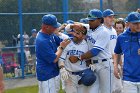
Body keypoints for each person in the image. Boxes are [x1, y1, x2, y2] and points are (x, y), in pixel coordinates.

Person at [69, 9, 112, 93]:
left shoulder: (104, 32)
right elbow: (67, 28)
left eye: (92, 20)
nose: (90, 22)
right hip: (93, 65)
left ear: (100, 20)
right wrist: (73, 26)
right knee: (93, 91)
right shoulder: (88, 27)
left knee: (106, 91)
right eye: (89, 20)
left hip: (105, 65)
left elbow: (95, 51)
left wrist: (78, 58)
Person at [36, 14, 70, 93]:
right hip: (47, 74)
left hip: (52, 72)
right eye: (54, 26)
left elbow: (62, 41)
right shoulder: (42, 40)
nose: (56, 28)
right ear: (46, 27)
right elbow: (54, 59)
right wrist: (61, 47)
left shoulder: (50, 34)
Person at [59, 24, 91, 93]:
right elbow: (61, 59)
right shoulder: (67, 42)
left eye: (78, 33)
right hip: (70, 76)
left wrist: (91, 65)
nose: (75, 35)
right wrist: (62, 68)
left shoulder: (87, 45)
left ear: (83, 36)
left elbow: (88, 60)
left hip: (82, 76)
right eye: (75, 32)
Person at [114, 12, 140, 93]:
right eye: (135, 23)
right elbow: (117, 52)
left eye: (139, 23)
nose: (138, 25)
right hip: (128, 78)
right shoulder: (121, 38)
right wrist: (115, 67)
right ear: (127, 24)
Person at [103, 9, 122, 93]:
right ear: (104, 18)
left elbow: (116, 49)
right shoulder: (101, 30)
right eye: (109, 17)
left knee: (118, 88)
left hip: (114, 61)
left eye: (113, 17)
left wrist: (119, 64)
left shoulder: (114, 30)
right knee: (108, 89)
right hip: (105, 62)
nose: (112, 19)